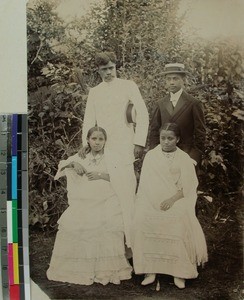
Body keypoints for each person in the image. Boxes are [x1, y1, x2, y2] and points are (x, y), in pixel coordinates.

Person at [47, 126, 133, 285]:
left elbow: (124, 177)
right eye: (94, 139)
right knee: (76, 221)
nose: (97, 142)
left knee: (106, 222)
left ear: (105, 141)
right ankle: (78, 267)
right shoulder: (82, 156)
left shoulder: (112, 157)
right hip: (85, 199)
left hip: (107, 198)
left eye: (101, 139)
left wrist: (102, 175)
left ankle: (105, 268)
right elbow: (61, 166)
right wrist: (73, 163)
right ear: (87, 140)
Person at [132, 123, 208, 289]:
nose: (165, 142)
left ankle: (178, 271)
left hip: (175, 198)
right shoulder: (151, 156)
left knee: (178, 219)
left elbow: (187, 186)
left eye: (170, 138)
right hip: (152, 199)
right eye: (162, 138)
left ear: (177, 139)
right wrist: (152, 201)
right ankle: (149, 270)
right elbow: (145, 184)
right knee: (144, 218)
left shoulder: (183, 158)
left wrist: (171, 200)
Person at [81, 51, 149, 193]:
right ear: (98, 71)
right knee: (106, 183)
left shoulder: (128, 86)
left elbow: (142, 113)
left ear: (116, 67)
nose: (108, 72)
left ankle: (129, 212)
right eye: (104, 69)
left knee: (127, 180)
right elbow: (88, 119)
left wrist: (139, 142)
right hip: (103, 143)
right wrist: (86, 144)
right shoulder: (95, 92)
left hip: (125, 141)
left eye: (111, 68)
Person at [149, 63, 206, 164]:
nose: (171, 82)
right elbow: (154, 131)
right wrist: (155, 155)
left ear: (183, 80)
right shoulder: (160, 104)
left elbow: (200, 133)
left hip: (186, 156)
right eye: (168, 79)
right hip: (164, 156)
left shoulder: (193, 103)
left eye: (175, 79)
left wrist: (194, 157)